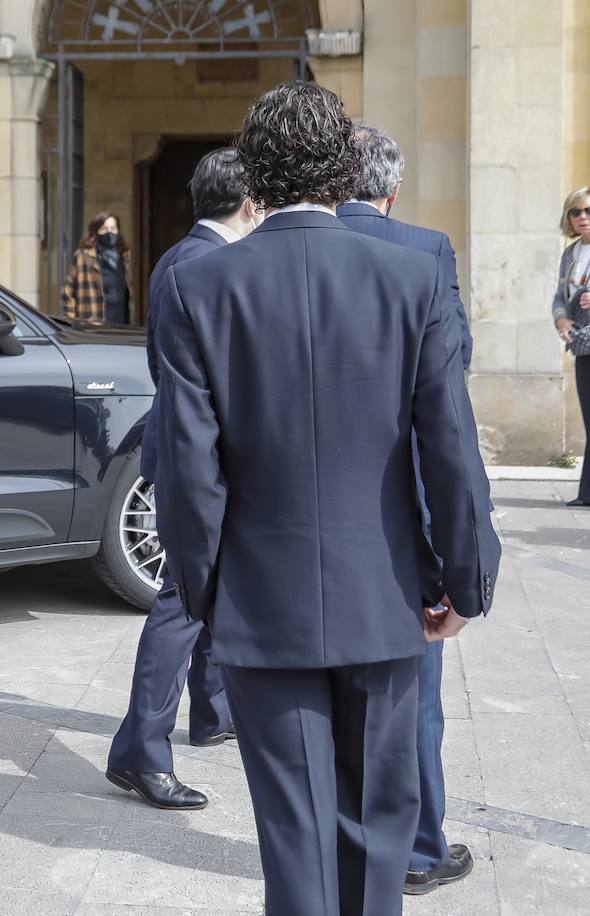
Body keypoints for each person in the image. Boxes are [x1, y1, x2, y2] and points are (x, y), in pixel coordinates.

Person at [155, 81, 501, 916]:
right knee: (380, 834)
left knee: (294, 836)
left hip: (261, 599)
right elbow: (450, 450)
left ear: (255, 176)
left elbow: (186, 469)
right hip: (383, 595)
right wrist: (466, 580)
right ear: (346, 171)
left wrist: (208, 592)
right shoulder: (413, 277)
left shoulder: (199, 286)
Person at [339, 123, 482, 896]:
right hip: (403, 507)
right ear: (392, 189)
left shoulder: (271, 253)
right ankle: (420, 849)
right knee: (412, 693)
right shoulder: (425, 250)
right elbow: (449, 380)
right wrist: (466, 567)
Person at [105, 148, 258, 811]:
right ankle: (142, 751)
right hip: (200, 459)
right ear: (250, 204)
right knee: (183, 601)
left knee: (209, 594)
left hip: (189, 449)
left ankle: (212, 712)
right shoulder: (211, 265)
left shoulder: (178, 257)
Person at [552, 186, 590, 508]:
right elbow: (558, 297)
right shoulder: (571, 254)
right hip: (581, 344)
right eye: (576, 212)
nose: (582, 217)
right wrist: (560, 320)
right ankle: (587, 492)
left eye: (588, 211)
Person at [61, 211, 133, 324]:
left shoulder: (125, 257)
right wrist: (72, 322)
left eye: (113, 228)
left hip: (121, 322)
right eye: (104, 229)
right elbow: (67, 292)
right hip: (93, 324)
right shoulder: (83, 257)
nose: (109, 232)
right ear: (96, 233)